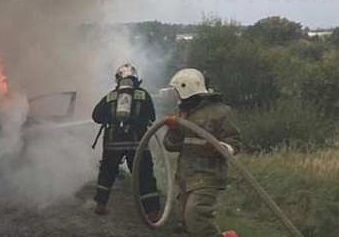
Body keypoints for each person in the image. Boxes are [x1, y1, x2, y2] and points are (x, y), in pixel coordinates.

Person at [163, 68, 241, 237]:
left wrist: (220, 148)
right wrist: (174, 130)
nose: (177, 97)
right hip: (186, 176)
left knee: (196, 215)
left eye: (178, 92)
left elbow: (234, 142)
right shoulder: (181, 113)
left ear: (187, 89)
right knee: (185, 221)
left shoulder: (220, 112)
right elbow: (170, 146)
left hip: (208, 175)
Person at [92, 63, 162, 222]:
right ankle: (152, 213)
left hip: (112, 144)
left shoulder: (110, 96)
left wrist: (110, 118)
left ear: (118, 79)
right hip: (138, 145)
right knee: (144, 176)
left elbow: (96, 116)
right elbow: (151, 117)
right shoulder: (144, 95)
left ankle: (100, 205)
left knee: (107, 173)